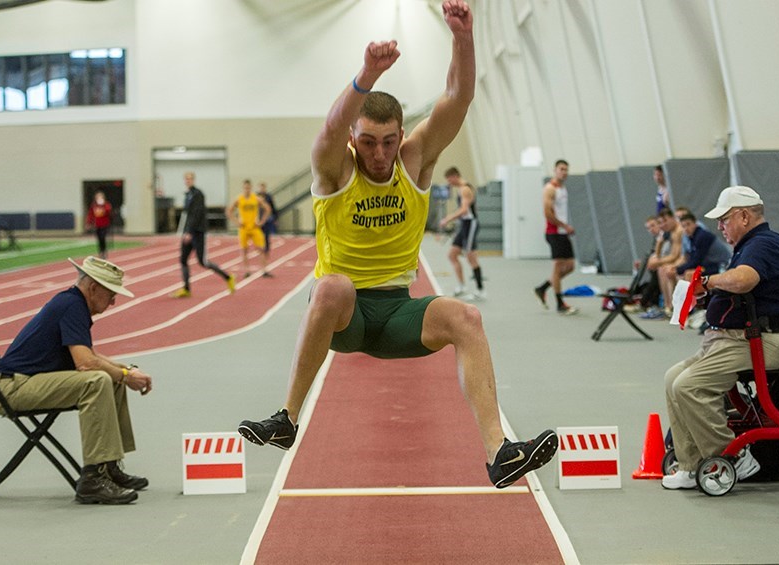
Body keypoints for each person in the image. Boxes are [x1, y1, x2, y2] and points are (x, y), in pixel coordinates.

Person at [237, 0, 558, 490]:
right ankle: (287, 418)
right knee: (333, 287)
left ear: (402, 135)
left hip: (397, 314)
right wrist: (367, 74)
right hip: (346, 315)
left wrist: (463, 37)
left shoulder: (414, 161)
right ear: (353, 138)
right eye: (368, 142)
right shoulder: (335, 169)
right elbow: (329, 129)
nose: (380, 153)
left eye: (388, 141)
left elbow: (458, 97)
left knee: (467, 317)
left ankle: (500, 452)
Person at [662, 186, 779, 490]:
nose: (720, 227)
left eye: (724, 220)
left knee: (689, 385)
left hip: (773, 341)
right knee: (673, 378)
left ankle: (734, 457)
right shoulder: (747, 246)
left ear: (744, 216)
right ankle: (690, 465)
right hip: (742, 340)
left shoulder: (765, 243)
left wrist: (707, 282)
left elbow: (743, 280)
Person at [0, 256, 154, 504]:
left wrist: (126, 371)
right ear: (93, 288)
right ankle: (92, 478)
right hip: (14, 388)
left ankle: (108, 466)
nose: (113, 301)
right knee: (96, 381)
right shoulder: (72, 306)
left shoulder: (72, 302)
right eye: (111, 294)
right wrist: (125, 375)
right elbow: (85, 363)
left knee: (111, 379)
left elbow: (89, 355)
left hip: (21, 381)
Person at [173, 171, 236, 298]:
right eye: (186, 179)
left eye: (190, 179)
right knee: (183, 260)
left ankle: (228, 277)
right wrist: (185, 231)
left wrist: (189, 232)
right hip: (189, 231)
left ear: (193, 180)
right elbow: (188, 215)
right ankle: (186, 289)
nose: (188, 181)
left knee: (203, 262)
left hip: (197, 232)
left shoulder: (198, 194)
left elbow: (197, 214)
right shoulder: (188, 195)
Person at [533, 159, 578, 314]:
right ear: (555, 170)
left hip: (563, 233)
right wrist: (565, 226)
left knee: (570, 266)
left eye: (566, 169)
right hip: (554, 233)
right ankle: (560, 304)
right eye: (561, 169)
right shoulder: (550, 189)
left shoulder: (563, 188)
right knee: (558, 267)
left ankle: (543, 288)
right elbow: (548, 214)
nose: (564, 172)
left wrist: (565, 228)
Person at [438, 166, 484, 300]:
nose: (449, 183)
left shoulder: (465, 189)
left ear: (455, 176)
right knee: (452, 255)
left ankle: (480, 290)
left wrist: (447, 219)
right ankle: (462, 286)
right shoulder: (460, 189)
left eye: (449, 180)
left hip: (470, 224)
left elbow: (464, 210)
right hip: (464, 225)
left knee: (471, 257)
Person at [642, 208, 684, 319]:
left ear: (672, 218)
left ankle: (674, 307)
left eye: (665, 221)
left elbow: (676, 255)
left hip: (688, 261)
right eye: (660, 222)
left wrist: (657, 261)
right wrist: (659, 243)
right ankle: (668, 305)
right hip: (681, 259)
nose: (663, 225)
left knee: (666, 269)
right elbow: (667, 255)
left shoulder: (679, 231)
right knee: (662, 269)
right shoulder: (670, 232)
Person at [227, 179, 273, 278]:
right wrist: (236, 222)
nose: (247, 190)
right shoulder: (239, 199)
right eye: (245, 188)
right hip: (243, 228)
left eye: (248, 188)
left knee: (261, 248)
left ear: (251, 188)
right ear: (243, 188)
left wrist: (262, 221)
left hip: (254, 227)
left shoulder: (255, 198)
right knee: (244, 250)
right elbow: (229, 211)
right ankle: (246, 271)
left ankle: (264, 270)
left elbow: (268, 209)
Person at [85, 191, 113, 259]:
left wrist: (103, 205)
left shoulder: (106, 205)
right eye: (98, 197)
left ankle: (104, 251)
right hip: (97, 225)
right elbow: (90, 215)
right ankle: (100, 251)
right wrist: (89, 223)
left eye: (100, 197)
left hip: (105, 225)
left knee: (103, 238)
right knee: (99, 239)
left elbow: (109, 211)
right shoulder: (94, 206)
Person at [257, 182, 279, 257]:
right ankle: (260, 249)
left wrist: (275, 218)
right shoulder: (256, 197)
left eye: (263, 188)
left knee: (266, 236)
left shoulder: (269, 197)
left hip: (267, 220)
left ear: (265, 188)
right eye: (261, 188)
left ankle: (266, 250)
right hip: (259, 219)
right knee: (259, 235)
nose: (262, 189)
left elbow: (273, 208)